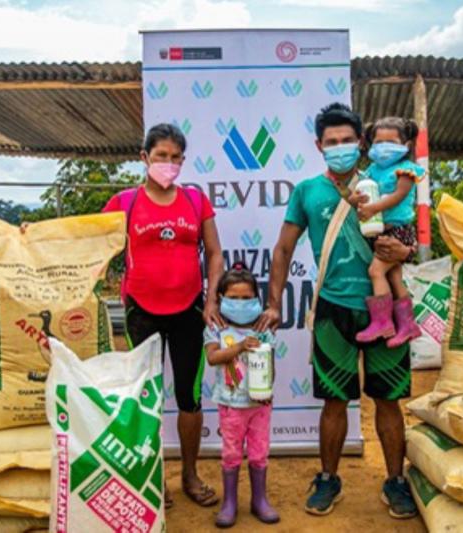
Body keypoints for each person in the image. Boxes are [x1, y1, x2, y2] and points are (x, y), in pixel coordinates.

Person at [255, 103, 417, 519]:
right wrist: (273, 303)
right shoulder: (308, 191)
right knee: (333, 401)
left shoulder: (382, 182)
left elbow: (406, 235)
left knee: (388, 400)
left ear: (361, 143)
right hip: (332, 309)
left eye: (347, 141)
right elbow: (283, 248)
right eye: (332, 143)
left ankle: (396, 480)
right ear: (318, 146)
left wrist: (407, 251)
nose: (340, 148)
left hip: (385, 309)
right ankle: (328, 479)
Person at [102, 123, 225, 509]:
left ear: (183, 161)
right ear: (144, 158)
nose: (168, 164)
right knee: (145, 399)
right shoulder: (123, 202)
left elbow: (215, 253)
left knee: (189, 398)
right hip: (141, 311)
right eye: (160, 156)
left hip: (189, 309)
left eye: (175, 158)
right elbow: (87, 243)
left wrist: (211, 302)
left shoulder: (195, 200)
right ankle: (152, 477)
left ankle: (190, 475)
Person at [204, 263, 279, 528]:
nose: (240, 303)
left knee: (259, 453)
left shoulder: (263, 329)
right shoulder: (217, 329)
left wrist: (267, 389)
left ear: (257, 300)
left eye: (247, 298)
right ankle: (229, 503)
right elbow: (213, 357)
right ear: (221, 299)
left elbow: (271, 363)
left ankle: (259, 500)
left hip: (260, 405)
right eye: (233, 298)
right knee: (231, 454)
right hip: (231, 405)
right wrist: (238, 347)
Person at [354, 117, 424, 346]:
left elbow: (399, 196)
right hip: (383, 231)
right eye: (378, 141)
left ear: (406, 145)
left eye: (391, 141)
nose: (384, 147)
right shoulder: (372, 171)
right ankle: (407, 326)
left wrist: (373, 208)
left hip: (399, 230)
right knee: (393, 276)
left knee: (376, 271)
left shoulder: (406, 170)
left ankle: (383, 322)